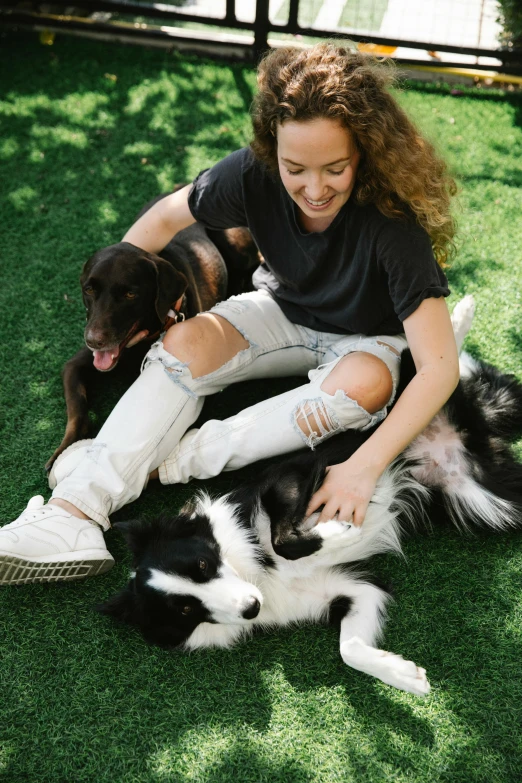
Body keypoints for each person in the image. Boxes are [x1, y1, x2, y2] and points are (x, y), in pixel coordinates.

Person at [0, 43, 460, 585]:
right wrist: (130, 283)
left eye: (335, 168)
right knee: (185, 344)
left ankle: (164, 464)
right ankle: (69, 515)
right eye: (295, 169)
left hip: (364, 338)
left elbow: (438, 367)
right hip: (280, 311)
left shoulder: (393, 225)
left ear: (365, 151)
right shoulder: (251, 174)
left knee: (366, 384)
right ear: (272, 152)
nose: (315, 189)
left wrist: (363, 468)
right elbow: (168, 215)